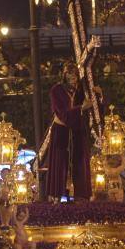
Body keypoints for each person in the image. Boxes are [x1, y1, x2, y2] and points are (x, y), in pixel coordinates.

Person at [44, 59, 99, 201]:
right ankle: (58, 196)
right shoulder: (56, 90)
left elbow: (93, 110)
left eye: (74, 74)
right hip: (61, 131)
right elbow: (62, 113)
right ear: (64, 75)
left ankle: (80, 195)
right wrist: (80, 108)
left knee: (80, 163)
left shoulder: (83, 89)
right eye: (69, 74)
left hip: (78, 132)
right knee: (61, 164)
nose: (72, 77)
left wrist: (98, 96)